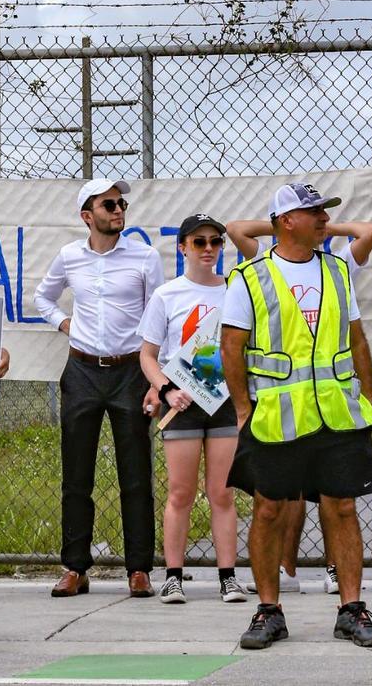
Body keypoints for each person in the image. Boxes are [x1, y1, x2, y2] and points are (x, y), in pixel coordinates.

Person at [221, 181, 372, 650]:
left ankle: (352, 609)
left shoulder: (336, 270)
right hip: (276, 416)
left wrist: (369, 399)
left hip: (338, 415)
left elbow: (357, 337)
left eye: (325, 212)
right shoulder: (251, 276)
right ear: (287, 221)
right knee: (269, 510)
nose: (325, 219)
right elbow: (232, 345)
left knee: (343, 507)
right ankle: (269, 609)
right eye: (315, 213)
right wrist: (244, 407)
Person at [34, 178, 164, 597]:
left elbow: (158, 317)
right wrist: (63, 323)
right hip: (83, 371)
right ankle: (75, 567)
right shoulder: (70, 256)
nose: (118, 209)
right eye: (109, 204)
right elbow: (43, 298)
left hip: (130, 372)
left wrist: (154, 375)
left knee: (136, 474)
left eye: (121, 203)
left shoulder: (145, 256)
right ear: (87, 216)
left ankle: (139, 569)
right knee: (76, 475)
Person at [138, 213, 246, 605]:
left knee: (222, 492)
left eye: (215, 242)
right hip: (182, 404)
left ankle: (229, 577)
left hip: (223, 404)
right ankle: (173, 576)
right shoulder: (167, 295)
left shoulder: (235, 289)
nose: (208, 249)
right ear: (182, 247)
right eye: (198, 242)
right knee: (180, 493)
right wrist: (165, 389)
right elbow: (148, 355)